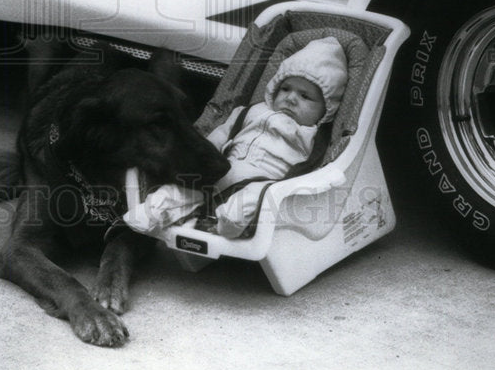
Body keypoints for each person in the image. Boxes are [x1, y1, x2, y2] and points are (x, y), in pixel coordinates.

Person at [137, 36, 348, 238]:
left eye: (305, 96)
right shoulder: (249, 111)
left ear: (325, 109)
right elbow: (221, 134)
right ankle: (149, 214)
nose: (291, 98)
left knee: (256, 199)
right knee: (184, 186)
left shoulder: (314, 136)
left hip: (265, 182)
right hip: (221, 170)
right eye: (285, 89)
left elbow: (317, 169)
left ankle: (226, 224)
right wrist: (204, 154)